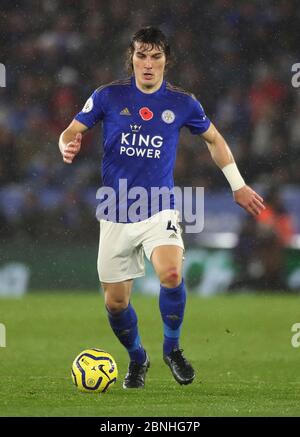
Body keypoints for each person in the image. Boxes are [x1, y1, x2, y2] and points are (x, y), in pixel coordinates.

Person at [58, 26, 265, 389]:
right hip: (115, 209)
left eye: (156, 56)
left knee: (171, 274)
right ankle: (138, 359)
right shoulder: (108, 96)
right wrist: (67, 144)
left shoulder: (183, 103)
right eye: (141, 55)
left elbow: (214, 139)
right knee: (116, 305)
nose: (148, 64)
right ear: (132, 58)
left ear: (166, 60)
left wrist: (237, 185)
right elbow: (71, 130)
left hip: (159, 207)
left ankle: (172, 348)